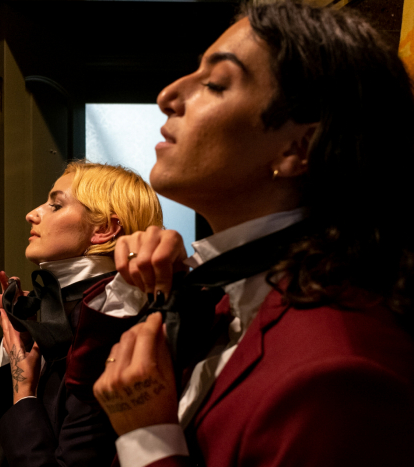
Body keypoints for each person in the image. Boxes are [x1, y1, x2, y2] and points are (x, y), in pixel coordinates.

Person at [84, 2, 414, 466]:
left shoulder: (339, 372)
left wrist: (150, 442)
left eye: (215, 84)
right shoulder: (222, 302)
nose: (167, 95)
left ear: (298, 147)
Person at [0, 161, 163, 467]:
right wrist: (13, 355)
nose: (32, 214)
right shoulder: (55, 309)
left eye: (55, 204)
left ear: (104, 229)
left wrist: (24, 392)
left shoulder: (111, 320)